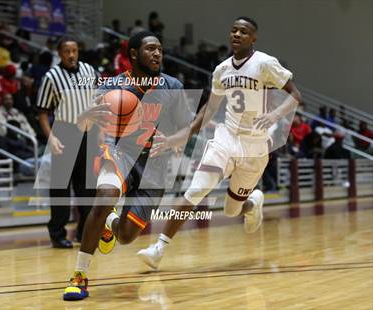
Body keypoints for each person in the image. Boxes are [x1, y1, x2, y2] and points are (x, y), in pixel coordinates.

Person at [137, 17, 302, 270]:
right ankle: (158, 249)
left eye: (243, 31)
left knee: (232, 210)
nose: (237, 34)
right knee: (194, 192)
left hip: (255, 146)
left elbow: (295, 95)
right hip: (226, 138)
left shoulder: (265, 63)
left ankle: (252, 203)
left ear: (253, 38)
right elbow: (209, 110)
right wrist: (178, 136)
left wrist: (274, 115)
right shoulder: (222, 69)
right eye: (234, 30)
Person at [62, 31, 195, 301]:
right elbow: (82, 125)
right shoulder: (111, 86)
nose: (157, 54)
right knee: (103, 199)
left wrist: (172, 141)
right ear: (133, 54)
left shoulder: (172, 87)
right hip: (119, 153)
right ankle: (79, 275)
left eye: (159, 49)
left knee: (125, 236)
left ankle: (111, 222)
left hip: (154, 166)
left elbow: (186, 127)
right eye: (150, 49)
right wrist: (84, 117)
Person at [36, 37, 102, 249]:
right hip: (64, 132)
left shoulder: (89, 71)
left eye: (74, 50)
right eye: (67, 51)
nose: (71, 55)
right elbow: (43, 113)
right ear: (60, 53)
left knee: (87, 189)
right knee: (61, 188)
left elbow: (99, 100)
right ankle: (57, 234)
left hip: (89, 132)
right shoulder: (51, 77)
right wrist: (51, 138)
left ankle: (84, 232)